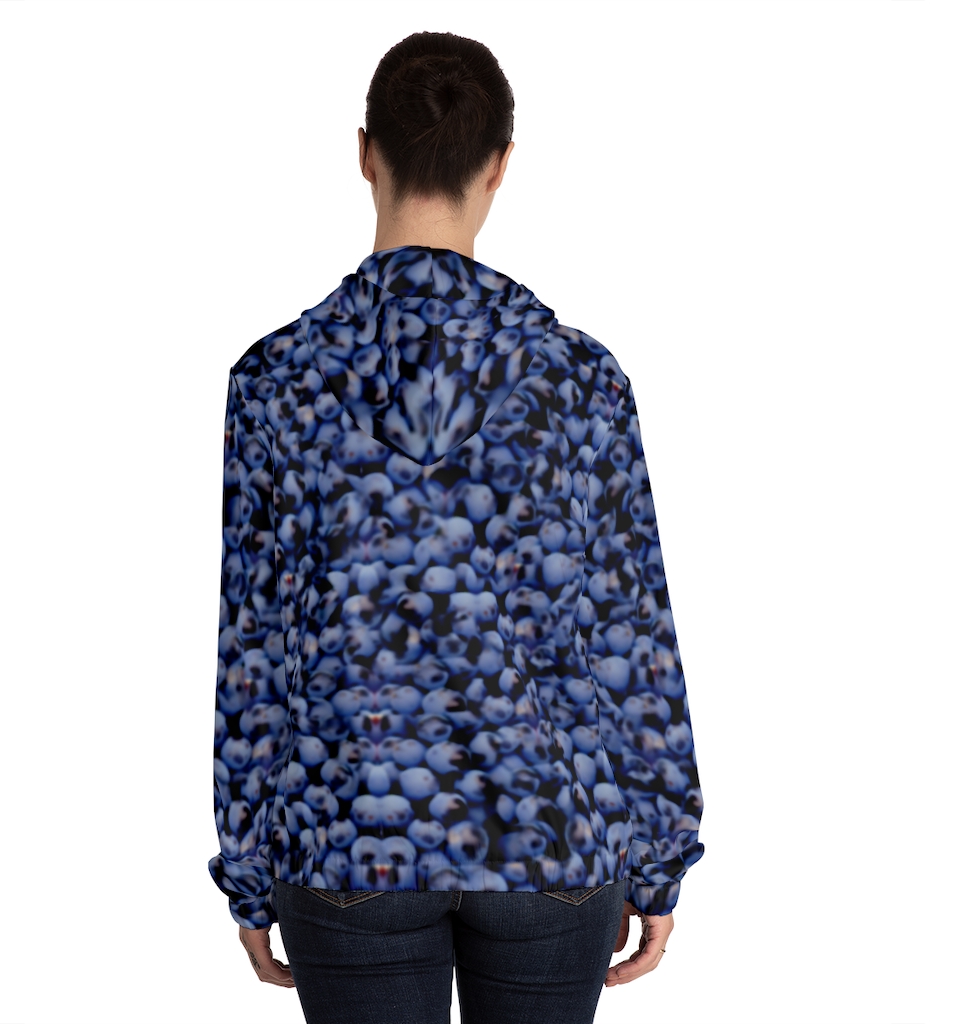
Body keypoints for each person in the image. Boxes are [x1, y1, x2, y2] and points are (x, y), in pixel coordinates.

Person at [208, 30, 705, 1024]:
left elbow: (254, 650)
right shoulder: (579, 380)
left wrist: (249, 866)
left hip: (346, 834)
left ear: (365, 154)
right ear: (499, 165)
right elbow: (629, 630)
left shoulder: (275, 380)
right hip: (551, 836)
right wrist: (659, 855)